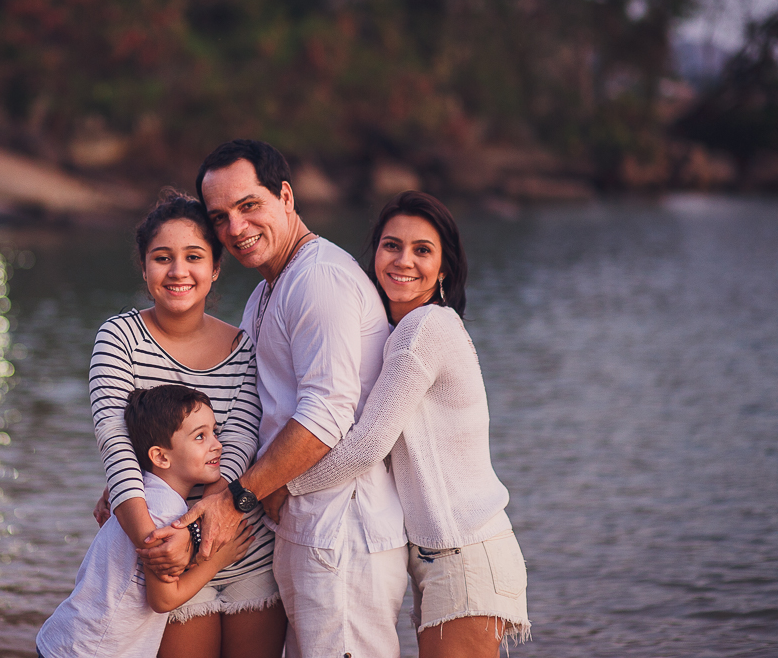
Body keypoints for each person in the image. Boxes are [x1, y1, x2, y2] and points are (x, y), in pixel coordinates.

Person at [168, 140, 407, 658]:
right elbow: (249, 408)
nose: (236, 228)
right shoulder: (267, 292)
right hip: (305, 530)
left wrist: (237, 499)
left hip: (343, 533)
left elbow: (326, 416)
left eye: (249, 205)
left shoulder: (319, 279)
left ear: (286, 197)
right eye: (220, 217)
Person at [279, 190, 531, 657]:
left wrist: (281, 487)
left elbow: (367, 444)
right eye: (392, 245)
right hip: (444, 556)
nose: (404, 261)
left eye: (422, 250)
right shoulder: (400, 331)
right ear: (375, 252)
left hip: (465, 554)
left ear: (444, 269)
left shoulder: (425, 329)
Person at [89, 191, 286, 658]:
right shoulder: (119, 338)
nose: (178, 271)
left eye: (194, 257)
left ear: (215, 267)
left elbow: (238, 444)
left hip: (246, 548)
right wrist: (158, 547)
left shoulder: (243, 348)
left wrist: (196, 533)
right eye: (163, 258)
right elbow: (117, 447)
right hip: (162, 559)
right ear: (144, 268)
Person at [37, 385, 253, 658]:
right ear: (161, 456)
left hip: (69, 639)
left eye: (215, 432)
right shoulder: (166, 512)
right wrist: (218, 560)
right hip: (94, 650)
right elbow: (163, 599)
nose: (217, 444)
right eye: (200, 436)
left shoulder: (141, 491)